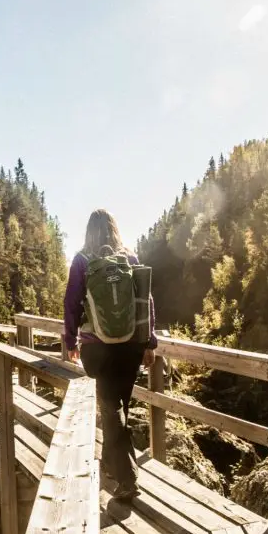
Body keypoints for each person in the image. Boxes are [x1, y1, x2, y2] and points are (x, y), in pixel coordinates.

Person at [63, 209, 157, 501]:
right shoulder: (129, 258)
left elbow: (71, 303)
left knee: (111, 409)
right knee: (119, 406)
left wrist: (70, 340)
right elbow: (146, 302)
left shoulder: (82, 260)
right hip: (130, 346)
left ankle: (127, 479)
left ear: (88, 231)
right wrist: (149, 343)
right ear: (115, 229)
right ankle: (109, 464)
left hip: (97, 347)